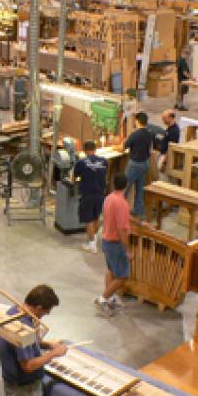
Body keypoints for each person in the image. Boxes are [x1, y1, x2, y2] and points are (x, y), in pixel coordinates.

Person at [0, 285, 68, 396]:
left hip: (16, 385)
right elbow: (28, 366)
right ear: (39, 307)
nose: (46, 315)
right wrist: (53, 354)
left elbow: (27, 345)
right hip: (24, 391)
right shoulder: (22, 329)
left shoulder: (13, 311)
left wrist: (47, 344)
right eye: (46, 311)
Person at [95, 173, 131, 316]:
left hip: (105, 240)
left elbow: (120, 217)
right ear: (126, 185)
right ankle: (103, 299)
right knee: (122, 276)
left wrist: (140, 223)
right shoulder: (122, 203)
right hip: (116, 243)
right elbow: (122, 229)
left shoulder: (108, 198)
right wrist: (128, 250)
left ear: (113, 184)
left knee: (111, 271)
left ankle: (110, 299)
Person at [73, 140, 108, 254]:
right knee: (96, 216)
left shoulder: (81, 162)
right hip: (100, 193)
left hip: (87, 194)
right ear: (95, 149)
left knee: (88, 219)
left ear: (84, 150)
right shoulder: (104, 161)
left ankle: (92, 244)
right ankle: (93, 240)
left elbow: (74, 178)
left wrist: (74, 182)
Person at [124, 112, 154, 218]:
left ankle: (120, 211)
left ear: (137, 121)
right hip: (145, 164)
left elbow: (124, 146)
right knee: (139, 190)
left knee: (124, 188)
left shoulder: (135, 134)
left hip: (135, 164)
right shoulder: (149, 133)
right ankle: (139, 213)